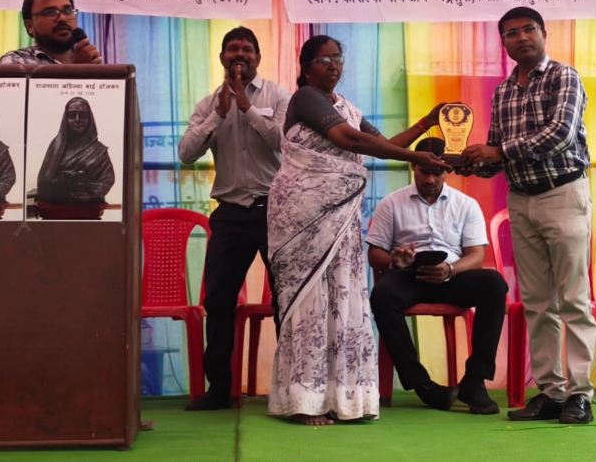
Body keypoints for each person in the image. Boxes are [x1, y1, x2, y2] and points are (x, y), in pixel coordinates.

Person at [267, 35, 451, 426]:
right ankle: (304, 401)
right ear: (305, 68)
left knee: (343, 297)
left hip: (341, 217)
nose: (333, 65)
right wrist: (414, 154)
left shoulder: (344, 107)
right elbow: (350, 140)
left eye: (338, 58)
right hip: (305, 217)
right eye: (323, 59)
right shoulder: (305, 99)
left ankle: (343, 397)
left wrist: (425, 125)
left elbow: (379, 144)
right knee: (310, 301)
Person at [461, 6, 596, 425]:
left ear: (543, 33)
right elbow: (495, 150)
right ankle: (551, 393)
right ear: (502, 42)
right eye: (511, 33)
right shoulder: (502, 91)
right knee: (537, 301)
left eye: (528, 30)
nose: (521, 38)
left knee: (573, 298)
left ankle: (580, 395)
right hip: (521, 200)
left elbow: (560, 135)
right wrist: (470, 162)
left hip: (562, 193)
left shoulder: (564, 76)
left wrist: (497, 152)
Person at [178, 27, 291, 411]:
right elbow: (186, 154)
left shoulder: (278, 96)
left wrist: (246, 107)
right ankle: (219, 389)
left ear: (257, 57)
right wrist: (219, 114)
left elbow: (284, 142)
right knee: (220, 301)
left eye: (246, 49)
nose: (239, 54)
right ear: (223, 57)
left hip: (274, 211)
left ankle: (291, 387)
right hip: (229, 215)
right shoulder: (209, 103)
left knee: (286, 300)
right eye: (232, 49)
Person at [366, 137, 508, 415]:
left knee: (494, 284)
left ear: (448, 170)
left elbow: (476, 256)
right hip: (409, 276)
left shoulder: (466, 204)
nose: (430, 178)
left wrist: (451, 270)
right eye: (423, 170)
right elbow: (375, 255)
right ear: (413, 167)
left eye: (437, 171)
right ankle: (422, 385)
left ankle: (475, 381)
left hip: (452, 276)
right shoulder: (391, 204)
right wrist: (395, 259)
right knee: (382, 294)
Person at [36, 97, 114, 218]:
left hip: (88, 209)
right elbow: (43, 185)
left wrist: (90, 193)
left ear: (89, 119)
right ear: (65, 119)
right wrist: (60, 180)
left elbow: (107, 179)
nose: (77, 120)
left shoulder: (99, 150)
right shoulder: (56, 146)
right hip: (57, 208)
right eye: (72, 115)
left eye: (82, 116)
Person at [0, 0, 102, 66]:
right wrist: (76, 72)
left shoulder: (91, 61)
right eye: (50, 12)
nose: (62, 18)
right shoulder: (16, 61)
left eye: (67, 11)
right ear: (30, 26)